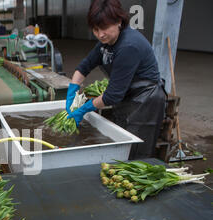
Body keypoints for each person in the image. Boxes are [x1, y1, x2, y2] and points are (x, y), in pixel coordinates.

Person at [66, 0, 167, 160]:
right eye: (96, 29)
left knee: (136, 153)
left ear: (119, 22)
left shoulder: (128, 46)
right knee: (122, 144)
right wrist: (72, 89)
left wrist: (83, 109)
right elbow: (85, 66)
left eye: (105, 28)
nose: (100, 34)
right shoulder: (105, 43)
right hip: (127, 96)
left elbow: (112, 96)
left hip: (145, 100)